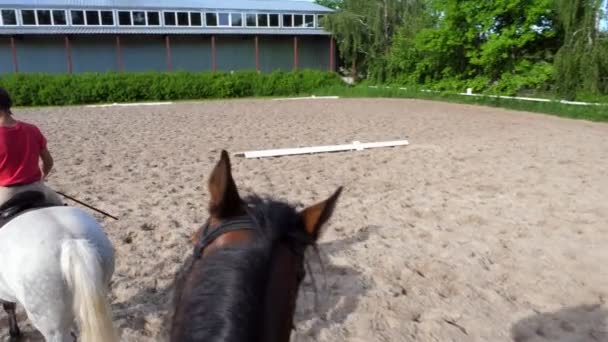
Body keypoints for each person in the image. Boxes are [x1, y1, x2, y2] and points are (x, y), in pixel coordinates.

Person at [0, 87, 63, 208]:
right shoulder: (32, 129)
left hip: (6, 193)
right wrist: (41, 179)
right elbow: (48, 162)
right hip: (37, 187)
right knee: (62, 207)